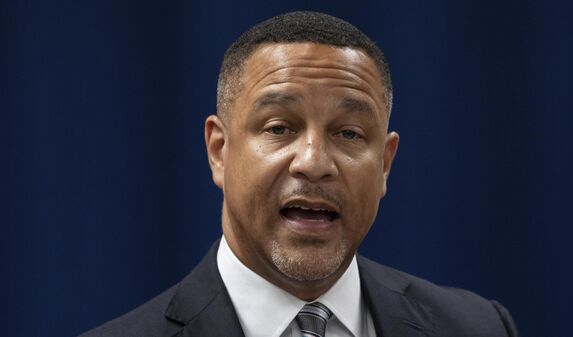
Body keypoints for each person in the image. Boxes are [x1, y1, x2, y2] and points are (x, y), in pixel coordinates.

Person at [80, 11, 519, 337]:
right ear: (219, 150)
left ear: (385, 164)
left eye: (348, 133)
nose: (313, 161)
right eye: (279, 128)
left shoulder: (479, 328)